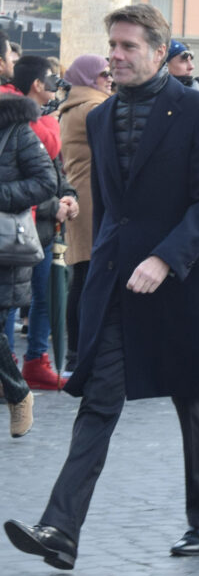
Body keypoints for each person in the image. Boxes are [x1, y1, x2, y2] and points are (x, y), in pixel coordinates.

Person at [4, 3, 199, 568]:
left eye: (129, 46)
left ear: (160, 52)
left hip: (179, 280)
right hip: (116, 283)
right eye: (113, 46)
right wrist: (95, 264)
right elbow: (108, 207)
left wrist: (165, 258)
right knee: (98, 405)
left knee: (193, 404)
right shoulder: (100, 118)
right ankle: (60, 530)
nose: (117, 55)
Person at [11, 56, 79, 389]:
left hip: (41, 225)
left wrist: (68, 197)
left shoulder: (45, 124)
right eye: (51, 79)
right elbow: (22, 179)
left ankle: (35, 360)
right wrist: (57, 204)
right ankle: (10, 366)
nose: (55, 85)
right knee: (13, 298)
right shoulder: (21, 126)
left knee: (42, 295)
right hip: (21, 225)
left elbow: (54, 172)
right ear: (37, 85)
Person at [0, 91, 57, 436]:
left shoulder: (16, 131)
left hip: (4, 247)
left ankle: (19, 394)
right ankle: (18, 391)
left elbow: (46, 182)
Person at [58, 55, 113, 379]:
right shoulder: (93, 107)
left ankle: (77, 353)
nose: (109, 78)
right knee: (86, 277)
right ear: (89, 77)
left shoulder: (76, 104)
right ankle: (79, 354)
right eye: (103, 73)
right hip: (91, 200)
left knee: (83, 274)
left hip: (85, 196)